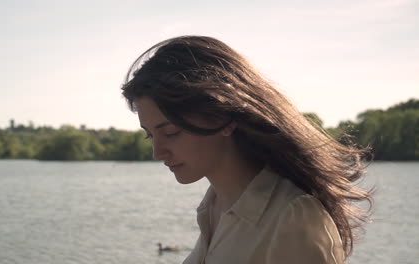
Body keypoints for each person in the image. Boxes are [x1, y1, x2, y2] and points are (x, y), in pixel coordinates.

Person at [121, 36, 373, 264]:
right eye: (150, 135)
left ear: (223, 117)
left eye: (171, 132)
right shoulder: (213, 207)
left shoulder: (293, 219)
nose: (158, 152)